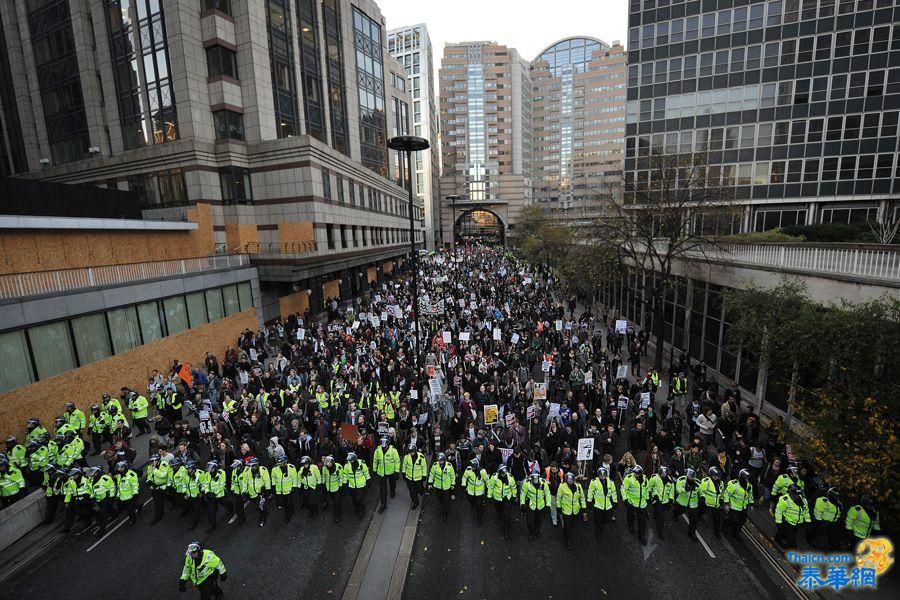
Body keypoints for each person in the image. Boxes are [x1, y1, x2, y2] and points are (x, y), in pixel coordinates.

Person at [774, 484, 810, 548]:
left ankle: (778, 537)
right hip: (788, 522)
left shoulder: (804, 500)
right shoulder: (785, 500)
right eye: (795, 494)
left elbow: (806, 511)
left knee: (783, 532)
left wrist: (807, 520)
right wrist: (778, 522)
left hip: (798, 523)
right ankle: (790, 548)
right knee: (791, 540)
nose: (797, 496)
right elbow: (779, 511)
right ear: (791, 493)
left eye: (799, 494)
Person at [587, 466, 617, 541]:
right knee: (598, 521)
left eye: (604, 475)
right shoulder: (594, 482)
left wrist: (615, 501)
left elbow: (613, 492)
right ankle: (598, 533)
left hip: (607, 505)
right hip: (598, 505)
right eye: (601, 475)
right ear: (598, 475)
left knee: (606, 520)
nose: (602, 476)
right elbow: (590, 491)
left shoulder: (610, 482)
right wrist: (589, 501)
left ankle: (601, 527)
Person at [557, 471, 586, 550]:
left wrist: (584, 507)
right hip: (566, 511)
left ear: (574, 479)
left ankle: (567, 533)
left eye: (571, 479)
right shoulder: (562, 486)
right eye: (568, 479)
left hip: (576, 511)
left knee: (572, 524)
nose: (570, 481)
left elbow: (582, 497)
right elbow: (559, 497)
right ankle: (568, 540)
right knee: (567, 526)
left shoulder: (578, 486)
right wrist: (558, 507)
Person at [622, 465, 650, 545]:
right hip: (632, 503)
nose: (635, 475)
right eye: (635, 473)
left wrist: (647, 498)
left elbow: (646, 489)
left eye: (637, 473)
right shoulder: (629, 478)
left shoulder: (645, 479)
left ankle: (642, 536)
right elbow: (623, 488)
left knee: (642, 521)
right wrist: (625, 499)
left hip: (642, 504)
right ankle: (630, 526)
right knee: (630, 516)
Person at [520, 471, 551, 541]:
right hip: (531, 504)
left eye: (536, 477)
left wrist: (548, 505)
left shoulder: (543, 482)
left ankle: (537, 531)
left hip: (540, 505)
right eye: (533, 477)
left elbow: (547, 493)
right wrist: (522, 504)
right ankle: (531, 533)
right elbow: (523, 493)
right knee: (530, 520)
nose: (535, 478)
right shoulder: (527, 483)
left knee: (539, 520)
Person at [488, 465, 516, 539]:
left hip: (507, 498)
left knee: (507, 515)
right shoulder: (494, 477)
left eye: (505, 472)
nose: (504, 474)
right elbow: (490, 486)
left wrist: (514, 496)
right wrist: (489, 496)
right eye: (502, 473)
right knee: (499, 511)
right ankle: (499, 514)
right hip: (497, 498)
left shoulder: (510, 478)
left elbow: (513, 487)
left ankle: (506, 531)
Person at [372, 436, 400, 513]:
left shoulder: (393, 450)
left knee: (392, 483)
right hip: (381, 473)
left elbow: (397, 461)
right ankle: (383, 504)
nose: (383, 447)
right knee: (382, 489)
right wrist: (374, 470)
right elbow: (375, 460)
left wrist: (397, 471)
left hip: (391, 472)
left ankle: (392, 490)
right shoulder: (377, 450)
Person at [723, 469, 754, 536]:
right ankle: (725, 525)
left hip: (743, 507)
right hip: (734, 506)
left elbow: (750, 495)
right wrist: (726, 504)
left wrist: (751, 504)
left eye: (748, 478)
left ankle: (736, 533)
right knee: (733, 520)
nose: (747, 480)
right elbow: (727, 494)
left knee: (742, 521)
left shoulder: (749, 486)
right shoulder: (734, 485)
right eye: (746, 478)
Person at [242, 458, 271, 527]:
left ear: (257, 465)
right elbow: (245, 482)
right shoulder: (246, 471)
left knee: (261, 506)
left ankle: (262, 519)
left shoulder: (263, 470)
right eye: (250, 466)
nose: (251, 467)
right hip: (252, 493)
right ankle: (265, 511)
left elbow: (267, 480)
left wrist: (267, 489)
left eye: (253, 466)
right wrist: (244, 491)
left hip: (261, 492)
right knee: (258, 505)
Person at [674, 467, 701, 541]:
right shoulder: (681, 479)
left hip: (693, 504)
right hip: (682, 502)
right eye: (689, 474)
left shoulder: (698, 483)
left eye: (692, 475)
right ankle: (675, 514)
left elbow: (701, 491)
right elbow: (678, 489)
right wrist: (685, 489)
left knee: (694, 519)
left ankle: (692, 533)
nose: (690, 476)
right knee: (679, 511)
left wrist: (702, 497)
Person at [428, 452, 456, 522]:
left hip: (446, 486)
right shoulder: (435, 465)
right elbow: (431, 474)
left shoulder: (449, 466)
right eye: (439, 460)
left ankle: (445, 513)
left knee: (445, 500)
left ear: (444, 460)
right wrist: (430, 483)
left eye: (442, 460)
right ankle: (444, 504)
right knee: (440, 497)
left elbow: (452, 475)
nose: (440, 462)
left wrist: (452, 484)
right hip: (437, 486)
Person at [648, 466, 675, 539]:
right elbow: (649, 487)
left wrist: (670, 499)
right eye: (662, 473)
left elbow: (671, 491)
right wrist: (651, 495)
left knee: (659, 512)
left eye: (665, 473)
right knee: (661, 518)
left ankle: (655, 514)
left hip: (665, 502)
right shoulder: (655, 478)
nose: (664, 474)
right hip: (657, 500)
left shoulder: (670, 481)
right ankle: (661, 532)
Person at [699, 466, 725, 538]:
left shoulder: (721, 483)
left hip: (716, 504)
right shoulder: (706, 481)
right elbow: (701, 490)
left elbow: (722, 492)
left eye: (718, 476)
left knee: (717, 519)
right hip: (707, 503)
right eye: (715, 476)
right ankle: (698, 516)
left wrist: (722, 500)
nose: (717, 477)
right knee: (701, 511)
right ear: (711, 475)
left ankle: (717, 532)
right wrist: (702, 498)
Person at [201, 461, 228, 532]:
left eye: (211, 468)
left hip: (220, 495)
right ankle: (211, 525)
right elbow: (205, 484)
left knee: (226, 503)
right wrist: (208, 492)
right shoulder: (207, 474)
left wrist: (215, 493)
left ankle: (230, 507)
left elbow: (222, 485)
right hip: (211, 496)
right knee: (211, 511)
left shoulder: (221, 473)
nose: (210, 470)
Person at [146, 454, 173, 524]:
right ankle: (158, 516)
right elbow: (149, 475)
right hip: (156, 487)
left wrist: (154, 470)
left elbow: (163, 475)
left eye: (153, 461)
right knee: (157, 503)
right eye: (151, 461)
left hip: (165, 486)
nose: (151, 463)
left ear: (157, 460)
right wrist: (149, 481)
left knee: (171, 498)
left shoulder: (164, 464)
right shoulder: (150, 467)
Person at [461, 458, 489, 525]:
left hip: (479, 492)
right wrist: (463, 485)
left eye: (473, 467)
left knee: (479, 506)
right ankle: (472, 503)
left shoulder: (483, 472)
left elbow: (487, 480)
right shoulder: (468, 470)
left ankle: (479, 518)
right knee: (470, 500)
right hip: (470, 491)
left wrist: (489, 490)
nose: (471, 468)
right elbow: (464, 477)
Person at [343, 452, 370, 519]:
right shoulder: (347, 465)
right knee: (353, 499)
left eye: (351, 460)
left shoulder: (361, 463)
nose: (350, 461)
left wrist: (368, 479)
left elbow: (366, 471)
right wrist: (344, 483)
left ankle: (361, 511)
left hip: (360, 485)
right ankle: (357, 508)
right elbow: (345, 474)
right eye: (349, 460)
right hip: (351, 485)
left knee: (359, 499)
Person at [271, 454, 297, 523]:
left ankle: (288, 514)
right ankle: (288, 510)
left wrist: (294, 486)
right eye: (279, 464)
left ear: (286, 463)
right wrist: (273, 486)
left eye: (281, 464)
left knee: (289, 503)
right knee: (284, 503)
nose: (280, 465)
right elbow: (273, 478)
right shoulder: (274, 469)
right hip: (279, 490)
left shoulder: (292, 468)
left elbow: (294, 478)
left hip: (289, 490)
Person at [401, 442, 428, 509]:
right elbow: (404, 466)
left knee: (419, 489)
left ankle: (421, 490)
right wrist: (403, 473)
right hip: (409, 478)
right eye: (410, 452)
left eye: (412, 452)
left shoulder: (421, 457)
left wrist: (424, 475)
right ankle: (415, 502)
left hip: (418, 478)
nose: (411, 453)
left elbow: (424, 467)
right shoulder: (406, 457)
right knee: (412, 491)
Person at [114, 460, 140, 525]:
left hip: (129, 496)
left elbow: (135, 485)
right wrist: (118, 495)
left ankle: (132, 519)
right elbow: (119, 486)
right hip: (122, 496)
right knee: (125, 508)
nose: (118, 469)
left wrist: (135, 494)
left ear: (124, 467)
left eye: (120, 467)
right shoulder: (119, 475)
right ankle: (139, 506)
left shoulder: (131, 474)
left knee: (130, 510)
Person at [322, 455, 344, 523]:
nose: (328, 466)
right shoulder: (324, 468)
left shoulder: (338, 467)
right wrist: (323, 483)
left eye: (329, 464)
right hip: (329, 488)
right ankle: (337, 506)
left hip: (336, 488)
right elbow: (324, 476)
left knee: (337, 502)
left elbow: (341, 477)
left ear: (332, 462)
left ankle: (337, 515)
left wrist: (340, 486)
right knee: (334, 501)